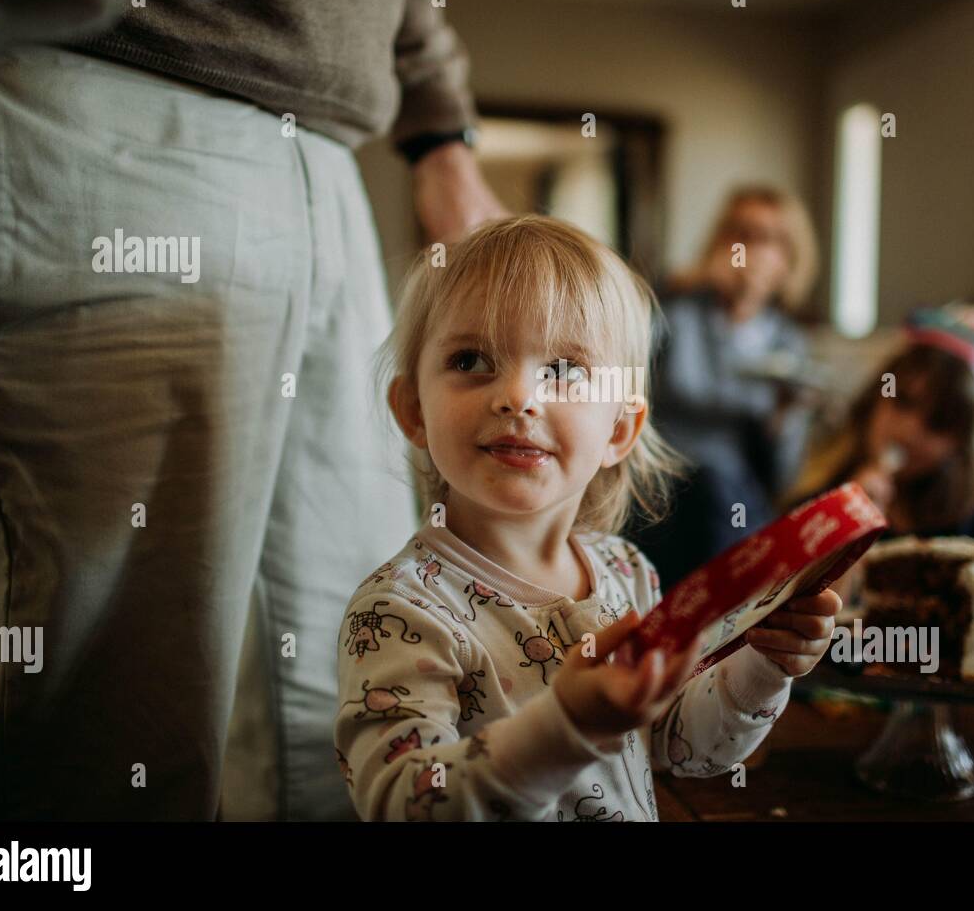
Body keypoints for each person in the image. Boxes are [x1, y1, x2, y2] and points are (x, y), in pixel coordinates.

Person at [0, 0, 505, 820]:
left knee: (350, 692)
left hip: (332, 161)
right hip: (104, 92)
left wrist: (440, 131)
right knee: (95, 719)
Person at [337, 215, 842, 820]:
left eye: (564, 370)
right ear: (413, 410)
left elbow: (685, 746)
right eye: (471, 360)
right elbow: (400, 803)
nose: (519, 396)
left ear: (620, 429)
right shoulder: (399, 612)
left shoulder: (626, 571)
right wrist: (567, 724)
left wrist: (763, 664)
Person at [635, 185, 819, 585]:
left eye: (767, 238)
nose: (748, 248)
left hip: (735, 502)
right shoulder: (676, 313)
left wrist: (784, 418)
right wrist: (688, 285)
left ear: (788, 259)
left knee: (719, 490)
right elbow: (620, 347)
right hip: (663, 486)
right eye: (739, 232)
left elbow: (785, 477)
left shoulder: (789, 344)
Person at [784, 302, 974, 554]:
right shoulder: (816, 512)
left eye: (938, 423)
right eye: (902, 402)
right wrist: (845, 524)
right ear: (874, 399)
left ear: (962, 442)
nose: (910, 430)